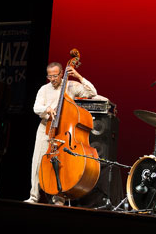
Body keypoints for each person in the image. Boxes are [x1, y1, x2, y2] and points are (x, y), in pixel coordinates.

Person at [24, 61, 97, 205]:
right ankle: (34, 196)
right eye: (50, 76)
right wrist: (47, 109)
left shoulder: (70, 85)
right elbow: (36, 107)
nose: (52, 79)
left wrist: (78, 76)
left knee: (62, 163)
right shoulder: (44, 89)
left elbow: (92, 92)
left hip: (64, 131)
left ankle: (59, 198)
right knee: (38, 161)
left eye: (55, 76)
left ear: (62, 73)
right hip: (46, 128)